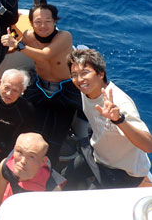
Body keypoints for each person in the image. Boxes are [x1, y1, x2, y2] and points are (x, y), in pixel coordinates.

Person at [1, 4, 82, 165]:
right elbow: (14, 49)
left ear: (54, 22)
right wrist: (7, 42)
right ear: (31, 23)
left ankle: (48, 166)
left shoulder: (65, 37)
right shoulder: (28, 37)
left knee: (57, 133)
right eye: (38, 21)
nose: (43, 25)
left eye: (48, 21)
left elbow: (46, 55)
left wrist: (18, 45)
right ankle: (18, 161)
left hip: (64, 90)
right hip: (40, 87)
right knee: (31, 126)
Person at [64, 49, 152, 189]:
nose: (79, 80)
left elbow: (148, 145)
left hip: (123, 172)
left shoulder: (120, 102)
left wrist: (118, 120)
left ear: (100, 73)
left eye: (85, 73)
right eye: (74, 75)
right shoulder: (85, 90)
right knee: (66, 176)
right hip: (97, 155)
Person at [0, 133, 66, 220]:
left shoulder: (52, 188)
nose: (23, 161)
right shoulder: (6, 166)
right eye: (19, 152)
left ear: (43, 161)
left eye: (31, 157)